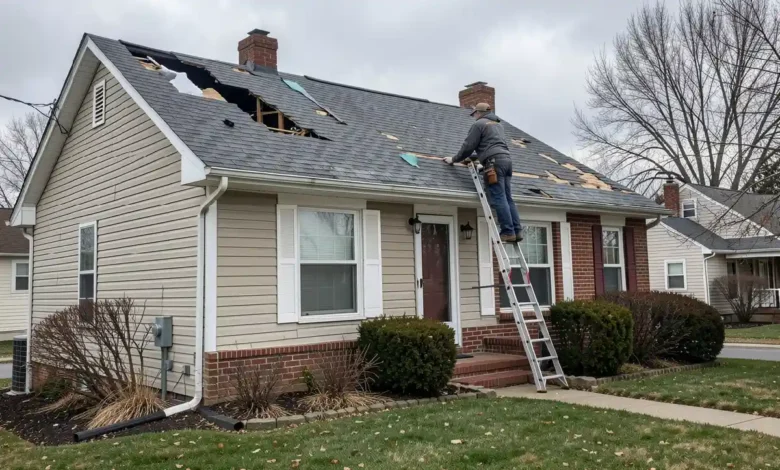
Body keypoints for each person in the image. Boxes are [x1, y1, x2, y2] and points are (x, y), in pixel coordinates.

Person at [443, 103, 522, 242]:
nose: (474, 117)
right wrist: (481, 161)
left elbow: (468, 146)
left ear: (478, 113)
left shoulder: (479, 124)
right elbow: (492, 145)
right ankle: (517, 231)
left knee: (499, 197)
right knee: (508, 197)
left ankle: (508, 232)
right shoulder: (498, 125)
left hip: (494, 163)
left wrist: (454, 159)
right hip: (506, 162)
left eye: (474, 114)